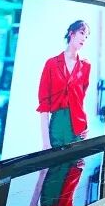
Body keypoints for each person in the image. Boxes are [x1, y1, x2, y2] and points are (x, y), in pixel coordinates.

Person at [38, 20, 92, 148]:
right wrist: (45, 143)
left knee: (76, 160)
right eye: (82, 33)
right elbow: (44, 106)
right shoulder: (51, 64)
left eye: (86, 36)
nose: (84, 38)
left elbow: (80, 100)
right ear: (71, 34)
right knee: (56, 160)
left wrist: (86, 125)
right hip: (57, 127)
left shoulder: (86, 66)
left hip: (78, 129)